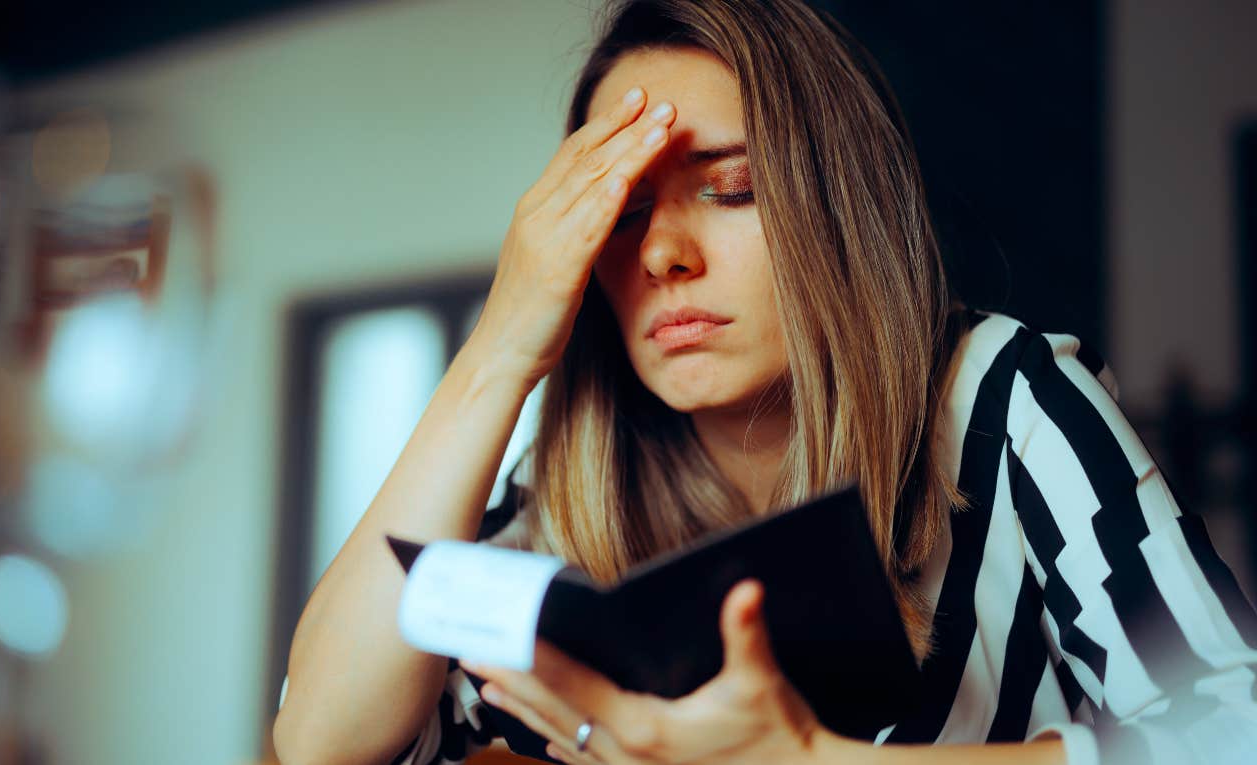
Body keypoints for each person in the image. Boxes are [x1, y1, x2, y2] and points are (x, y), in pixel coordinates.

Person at [271, 2, 1257, 764]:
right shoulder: (561, 508)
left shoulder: (1003, 400)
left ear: (836, 208)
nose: (660, 253)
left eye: (731, 188)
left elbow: (1231, 728)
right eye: (615, 214)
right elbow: (324, 743)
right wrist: (500, 349)